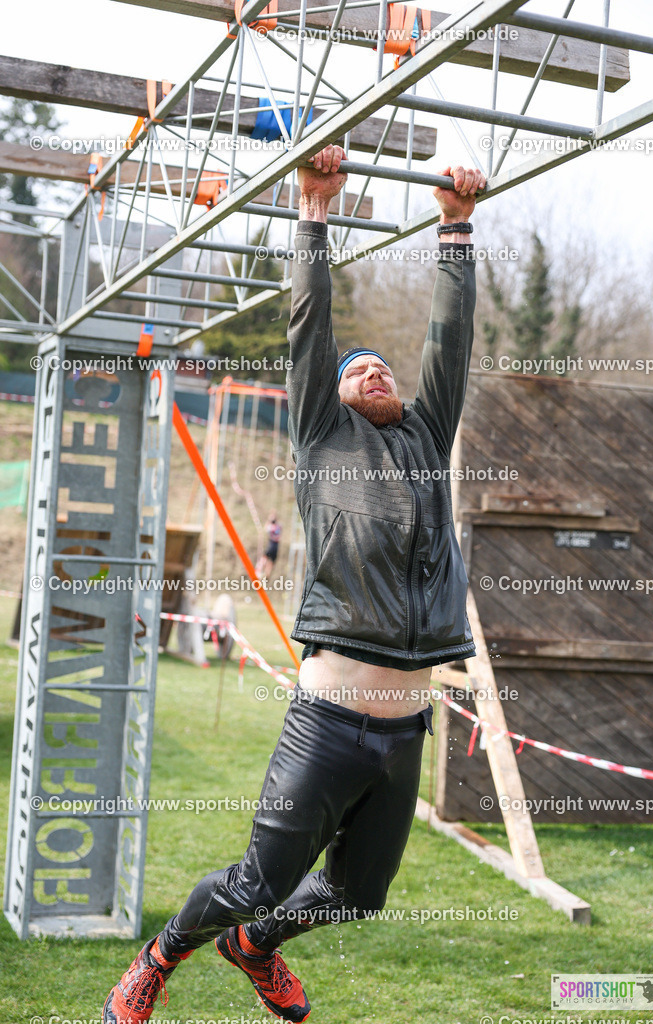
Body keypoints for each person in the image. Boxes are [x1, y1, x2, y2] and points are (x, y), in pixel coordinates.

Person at [103, 145, 484, 1024]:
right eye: (356, 371)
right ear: (333, 397)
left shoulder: (426, 439)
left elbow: (449, 340)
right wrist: (312, 212)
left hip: (404, 733)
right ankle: (160, 959)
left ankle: (255, 947)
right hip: (329, 720)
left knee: (358, 895)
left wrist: (456, 228)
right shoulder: (323, 439)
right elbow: (310, 327)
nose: (372, 371)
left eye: (381, 366)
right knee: (256, 879)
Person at [255, 511, 282, 579]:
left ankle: (258, 570)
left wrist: (268, 520)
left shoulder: (271, 527)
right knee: (271, 562)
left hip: (272, 545)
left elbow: (266, 528)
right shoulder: (279, 526)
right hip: (276, 546)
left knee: (265, 558)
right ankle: (266, 576)